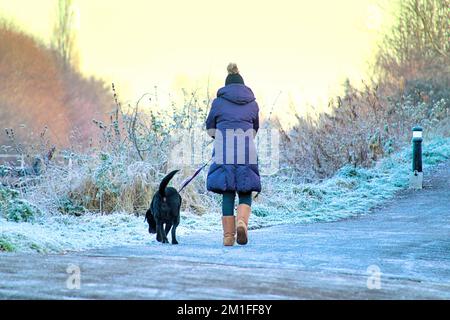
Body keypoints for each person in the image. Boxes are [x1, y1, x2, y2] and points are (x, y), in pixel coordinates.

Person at [205, 63, 261, 246]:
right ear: (243, 85)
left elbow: (210, 128)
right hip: (246, 150)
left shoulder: (218, 102)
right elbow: (255, 129)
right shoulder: (252, 103)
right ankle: (242, 223)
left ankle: (228, 237)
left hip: (224, 151)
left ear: (226, 85)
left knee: (227, 191)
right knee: (245, 189)